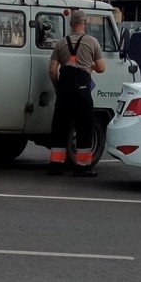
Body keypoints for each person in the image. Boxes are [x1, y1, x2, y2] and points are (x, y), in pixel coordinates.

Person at [48, 10, 106, 177]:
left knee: (59, 127)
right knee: (84, 128)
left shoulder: (60, 43)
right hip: (82, 92)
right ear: (84, 23)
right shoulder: (92, 42)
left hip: (64, 92)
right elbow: (101, 68)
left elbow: (52, 70)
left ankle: (56, 165)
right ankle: (82, 167)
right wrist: (89, 67)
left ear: (71, 24)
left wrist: (57, 87)